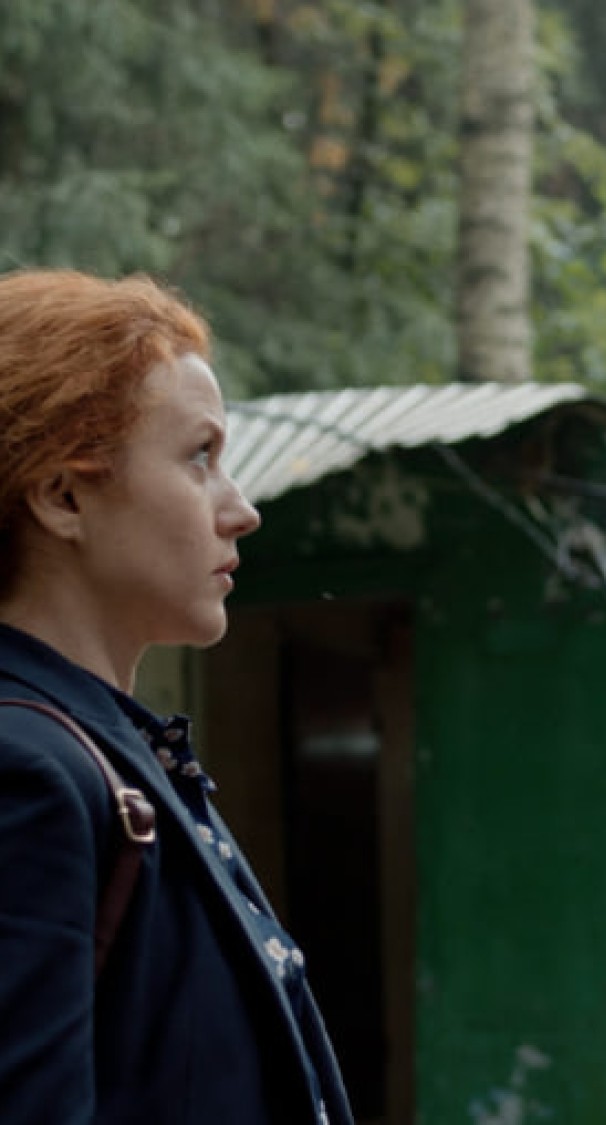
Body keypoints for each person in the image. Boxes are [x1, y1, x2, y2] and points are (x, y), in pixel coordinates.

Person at [0, 269, 352, 1123]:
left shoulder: (104, 748)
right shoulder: (28, 773)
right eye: (200, 457)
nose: (243, 509)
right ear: (63, 495)